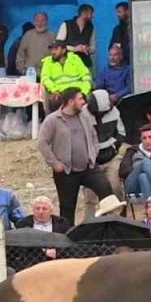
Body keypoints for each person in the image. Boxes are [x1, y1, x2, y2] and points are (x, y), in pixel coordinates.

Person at [37, 88, 113, 223]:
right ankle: (68, 240)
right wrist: (54, 163)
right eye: (80, 99)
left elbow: (93, 135)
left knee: (105, 188)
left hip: (88, 167)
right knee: (67, 208)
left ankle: (105, 226)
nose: (84, 102)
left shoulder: (84, 116)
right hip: (66, 172)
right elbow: (42, 143)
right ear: (71, 101)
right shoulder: (53, 120)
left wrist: (93, 154)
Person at [122, 124, 151, 198]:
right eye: (144, 138)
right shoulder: (133, 151)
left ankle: (150, 204)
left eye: (150, 137)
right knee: (145, 163)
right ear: (140, 139)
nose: (147, 141)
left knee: (143, 177)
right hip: (133, 184)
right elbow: (122, 171)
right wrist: (140, 169)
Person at [39, 40, 91, 105]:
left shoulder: (74, 59)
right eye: (52, 49)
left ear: (63, 50)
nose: (52, 52)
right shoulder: (48, 62)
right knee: (55, 102)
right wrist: (54, 90)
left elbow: (86, 75)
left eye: (56, 49)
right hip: (60, 93)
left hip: (77, 91)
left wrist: (84, 92)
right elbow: (44, 78)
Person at [56, 3, 96, 70]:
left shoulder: (91, 27)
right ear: (83, 13)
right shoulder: (66, 24)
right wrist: (74, 48)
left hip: (85, 64)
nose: (92, 16)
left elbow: (93, 47)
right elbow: (58, 44)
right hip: (68, 64)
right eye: (91, 13)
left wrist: (87, 48)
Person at [16, 12, 55, 77]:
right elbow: (20, 55)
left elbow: (57, 56)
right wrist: (22, 70)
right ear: (34, 22)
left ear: (47, 21)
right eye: (37, 20)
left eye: (42, 20)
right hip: (29, 74)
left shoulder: (52, 36)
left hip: (47, 75)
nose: (40, 23)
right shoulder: (28, 35)